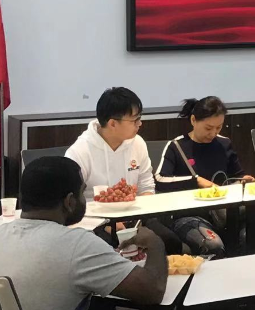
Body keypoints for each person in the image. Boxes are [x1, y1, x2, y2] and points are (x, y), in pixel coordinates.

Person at [0, 157, 167, 310]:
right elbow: (153, 291)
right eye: (82, 192)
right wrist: (154, 243)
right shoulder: (78, 245)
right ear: (69, 202)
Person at [65, 87, 181, 253]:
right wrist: (109, 222)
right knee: (106, 249)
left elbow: (146, 185)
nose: (140, 124)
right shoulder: (80, 152)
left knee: (170, 242)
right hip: (94, 222)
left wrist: (138, 218)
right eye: (135, 120)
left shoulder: (137, 143)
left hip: (136, 216)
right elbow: (72, 202)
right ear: (113, 123)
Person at [155, 96, 255, 257]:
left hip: (225, 213)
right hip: (189, 215)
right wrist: (196, 181)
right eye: (208, 128)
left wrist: (244, 180)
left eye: (219, 127)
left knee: (249, 238)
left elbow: (237, 175)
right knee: (213, 245)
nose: (213, 133)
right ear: (193, 120)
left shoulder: (224, 144)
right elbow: (160, 180)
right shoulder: (177, 146)